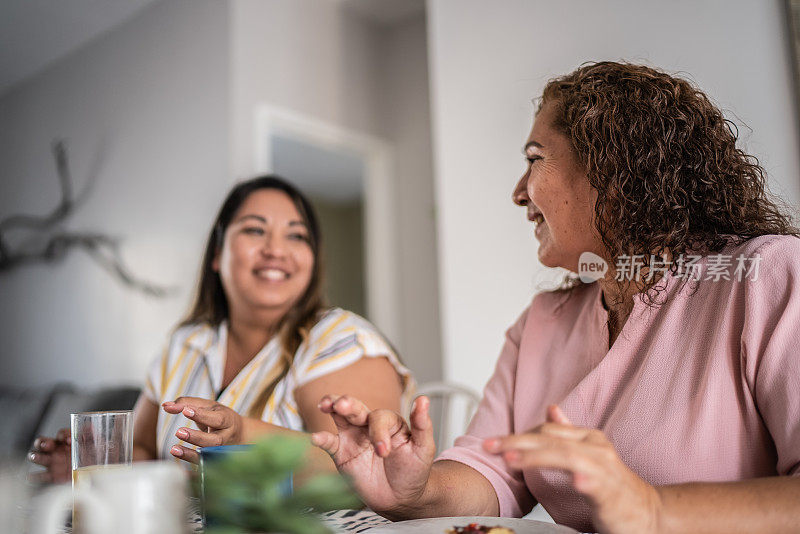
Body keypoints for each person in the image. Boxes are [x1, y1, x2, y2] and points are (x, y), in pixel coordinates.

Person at [310, 62, 800, 533]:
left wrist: (653, 512)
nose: (519, 193)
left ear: (614, 168)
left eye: (534, 159)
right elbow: (495, 473)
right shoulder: (543, 323)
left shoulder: (766, 276)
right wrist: (414, 490)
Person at [30, 175, 413, 482]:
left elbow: (356, 469)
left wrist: (242, 434)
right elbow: (145, 450)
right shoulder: (184, 343)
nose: (276, 250)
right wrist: (94, 471)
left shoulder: (339, 338)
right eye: (255, 230)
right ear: (216, 254)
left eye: (296, 235)